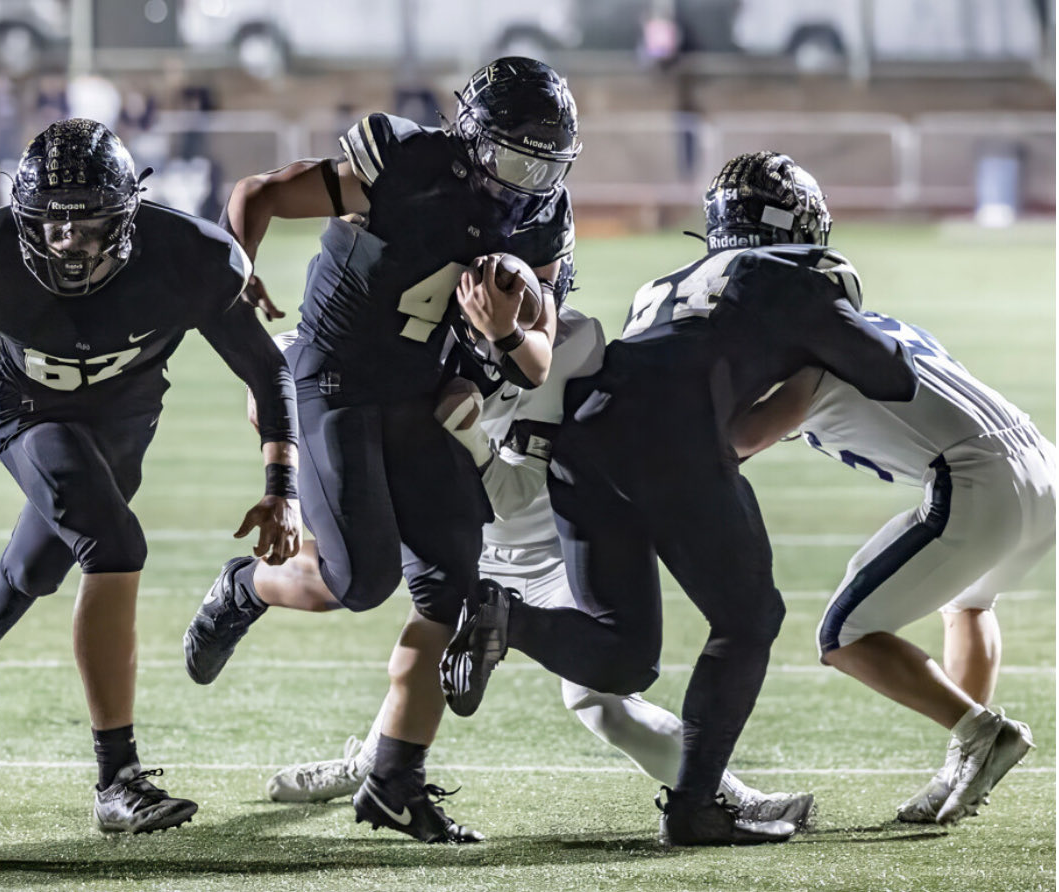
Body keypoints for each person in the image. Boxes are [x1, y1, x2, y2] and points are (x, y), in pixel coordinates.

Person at [441, 150, 920, 846]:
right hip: (676, 442)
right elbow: (891, 375)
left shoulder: (661, 285)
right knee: (749, 618)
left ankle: (504, 620)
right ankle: (695, 807)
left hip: (587, 436)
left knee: (626, 657)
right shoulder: (795, 275)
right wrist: (830, 335)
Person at [192, 308, 816, 835]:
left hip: (555, 541)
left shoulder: (574, 342)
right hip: (465, 540)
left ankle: (722, 791)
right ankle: (254, 601)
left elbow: (528, 482)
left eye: (537, 284)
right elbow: (294, 359)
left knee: (602, 695)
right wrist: (273, 391)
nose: (522, 299)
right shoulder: (420, 343)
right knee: (346, 582)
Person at [186, 58, 580, 844]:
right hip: (333, 376)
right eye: (514, 156)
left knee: (448, 582)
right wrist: (236, 281)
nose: (528, 178)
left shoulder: (543, 215)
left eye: (544, 161)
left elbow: (539, 354)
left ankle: (395, 781)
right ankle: (246, 588)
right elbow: (256, 194)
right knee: (357, 580)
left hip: (421, 388)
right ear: (471, 139)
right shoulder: (402, 162)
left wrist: (504, 332)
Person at [0, 118, 301, 834]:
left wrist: (282, 488)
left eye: (88, 225)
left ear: (129, 213)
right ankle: (118, 779)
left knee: (38, 565)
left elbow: (268, 370)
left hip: (122, 424)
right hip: (26, 411)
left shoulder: (188, 259)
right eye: (50, 225)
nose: (67, 243)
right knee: (114, 547)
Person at [729, 314, 1052, 824]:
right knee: (969, 603)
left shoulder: (807, 361)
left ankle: (981, 733)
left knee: (844, 634)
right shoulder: (881, 326)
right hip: (1041, 468)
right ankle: (963, 764)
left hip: (976, 479)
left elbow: (738, 441)